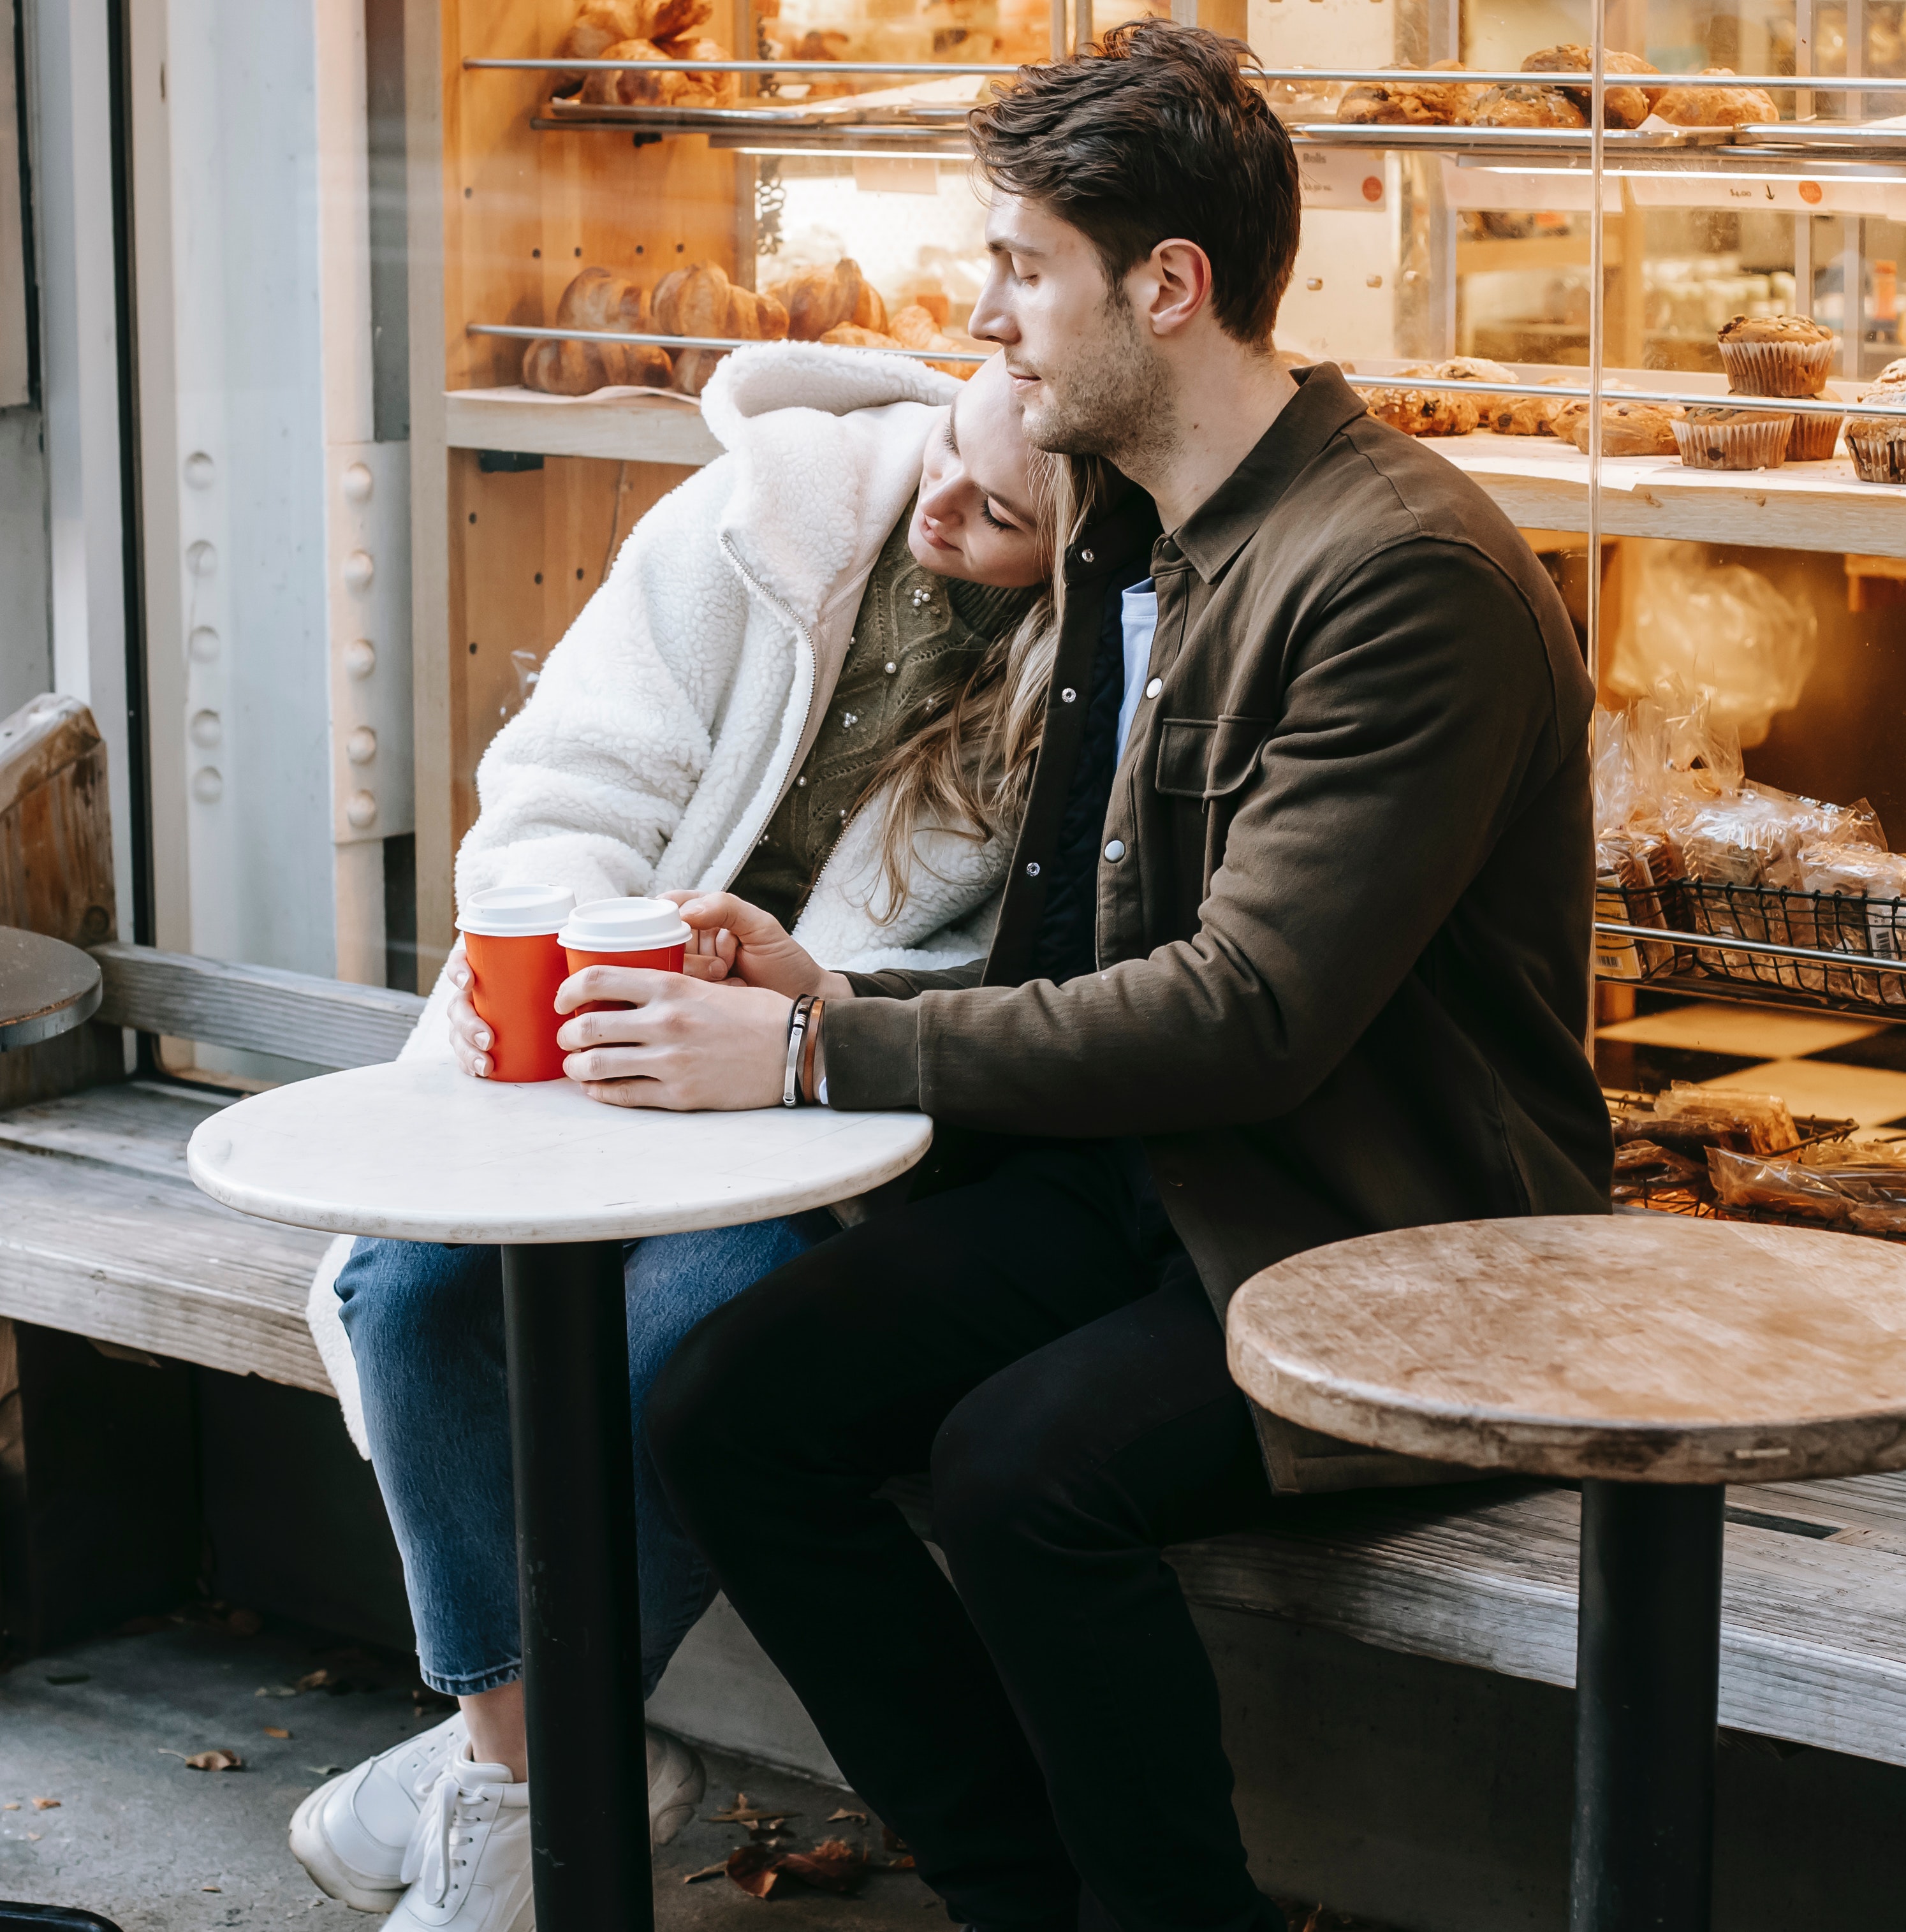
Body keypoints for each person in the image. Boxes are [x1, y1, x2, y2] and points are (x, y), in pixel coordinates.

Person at [515, 23, 1611, 1929]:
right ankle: (1024, 1893)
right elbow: (1067, 944)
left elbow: (1250, 1012)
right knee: (728, 1407)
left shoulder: (1400, 573)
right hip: (1153, 1184)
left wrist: (809, 1047)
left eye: (1024, 267)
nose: (987, 316)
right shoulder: (1140, 532)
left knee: (1025, 1474)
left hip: (1387, 1232)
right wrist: (816, 973)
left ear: (1164, 287)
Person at [289, 346, 1101, 1927]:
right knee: (411, 1287)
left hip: (811, 1105)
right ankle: (539, 1768)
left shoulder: (1088, 683)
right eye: (945, 452)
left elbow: (1005, 983)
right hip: (592, 1032)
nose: (941, 504)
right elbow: (566, 772)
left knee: (690, 1336)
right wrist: (563, 945)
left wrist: (810, 1001)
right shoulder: (759, 516)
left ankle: (506, 1781)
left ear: (1078, 542)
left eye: (998, 515)